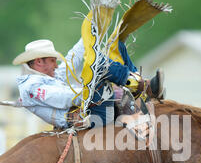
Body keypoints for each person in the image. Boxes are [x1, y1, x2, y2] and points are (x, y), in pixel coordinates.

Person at [11, 37, 164, 129]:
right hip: (90, 118)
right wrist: (91, 85)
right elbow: (63, 98)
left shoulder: (48, 76)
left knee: (116, 44)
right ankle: (145, 88)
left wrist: (91, 32)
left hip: (91, 109)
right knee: (98, 66)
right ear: (38, 61)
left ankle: (143, 86)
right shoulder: (32, 87)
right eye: (52, 61)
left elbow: (73, 58)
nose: (56, 65)